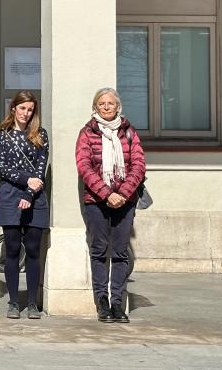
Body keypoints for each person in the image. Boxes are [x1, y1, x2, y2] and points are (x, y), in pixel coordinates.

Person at [76, 87, 146, 324]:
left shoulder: (129, 132)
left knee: (120, 253)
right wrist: (107, 194)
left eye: (111, 104)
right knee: (98, 251)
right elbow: (84, 167)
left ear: (118, 107)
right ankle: (102, 302)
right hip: (96, 202)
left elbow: (139, 165)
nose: (106, 107)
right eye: (102, 104)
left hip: (125, 203)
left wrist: (123, 194)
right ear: (95, 107)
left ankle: (117, 302)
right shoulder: (87, 133)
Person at [0, 90, 49, 319]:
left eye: (31, 109)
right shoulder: (1, 135)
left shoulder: (40, 134)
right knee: (13, 250)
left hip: (35, 197)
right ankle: (14, 302)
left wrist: (29, 192)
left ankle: (33, 303)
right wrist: (26, 181)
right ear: (13, 108)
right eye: (23, 108)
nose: (27, 113)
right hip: (9, 196)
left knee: (34, 250)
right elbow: (3, 168)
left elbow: (40, 168)